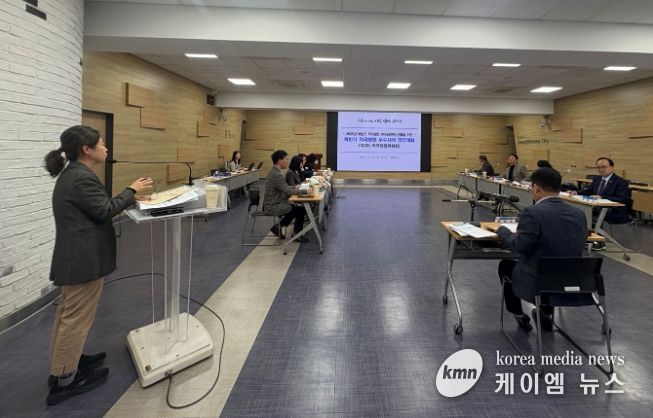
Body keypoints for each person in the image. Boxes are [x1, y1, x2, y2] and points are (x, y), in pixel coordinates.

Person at [43, 125, 152, 405]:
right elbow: (104, 210)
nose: (106, 148)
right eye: (101, 144)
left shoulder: (75, 174)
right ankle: (65, 379)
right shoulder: (81, 177)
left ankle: (68, 362)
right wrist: (132, 189)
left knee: (68, 315)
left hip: (76, 257)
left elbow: (97, 208)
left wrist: (130, 199)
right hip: (83, 260)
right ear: (87, 149)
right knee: (75, 320)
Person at [496, 168, 587, 333]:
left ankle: (518, 313)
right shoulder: (579, 213)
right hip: (574, 279)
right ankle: (545, 312)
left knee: (506, 266)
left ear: (536, 188)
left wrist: (503, 231)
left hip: (540, 281)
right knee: (551, 260)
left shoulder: (532, 212)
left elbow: (520, 246)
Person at [264, 150, 312, 243]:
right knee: (299, 209)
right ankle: (295, 234)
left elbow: (285, 187)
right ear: (280, 161)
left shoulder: (275, 172)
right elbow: (288, 191)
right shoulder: (276, 174)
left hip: (275, 202)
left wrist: (295, 187)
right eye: (286, 159)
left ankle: (279, 227)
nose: (288, 161)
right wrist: (305, 191)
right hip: (273, 205)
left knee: (296, 208)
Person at [575, 157, 629, 224]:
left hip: (612, 210)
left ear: (612, 167)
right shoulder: (597, 178)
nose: (601, 169)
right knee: (579, 210)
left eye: (604, 167)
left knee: (583, 213)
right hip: (595, 207)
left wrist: (601, 197)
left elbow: (622, 198)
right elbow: (589, 191)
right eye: (598, 167)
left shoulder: (621, 182)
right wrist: (576, 192)